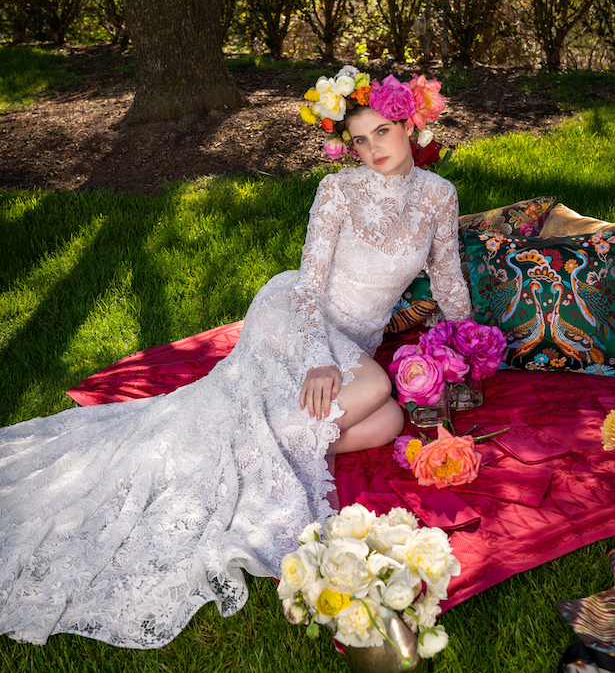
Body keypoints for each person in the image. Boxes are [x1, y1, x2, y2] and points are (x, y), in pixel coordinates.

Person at [0, 67, 471, 648]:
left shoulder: (438, 197)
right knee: (375, 391)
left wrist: (463, 347)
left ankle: (252, 443)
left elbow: (447, 280)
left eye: (382, 132)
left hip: (355, 343)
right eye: (359, 139)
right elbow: (307, 286)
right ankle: (234, 451)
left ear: (411, 123)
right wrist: (319, 358)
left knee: (391, 421)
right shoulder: (338, 190)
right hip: (294, 319)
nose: (371, 148)